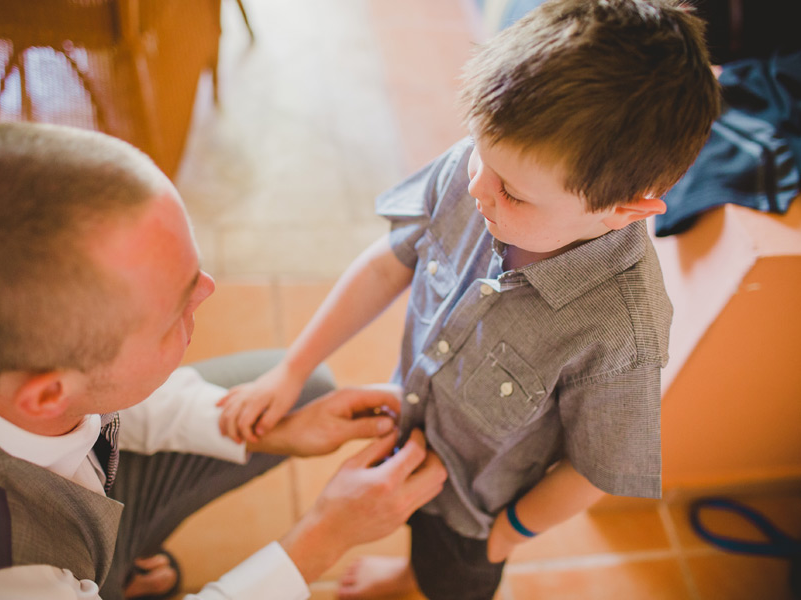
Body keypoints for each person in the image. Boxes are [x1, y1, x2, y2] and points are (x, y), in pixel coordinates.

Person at [215, 0, 722, 598]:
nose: (477, 188)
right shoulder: (482, 170)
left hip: (475, 514)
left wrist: (504, 536)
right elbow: (388, 265)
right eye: (479, 153)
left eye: (511, 191)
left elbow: (595, 469)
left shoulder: (621, 332)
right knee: (406, 531)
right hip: (408, 422)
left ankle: (420, 581)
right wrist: (291, 369)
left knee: (447, 580)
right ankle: (408, 574)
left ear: (624, 209)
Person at [0, 122, 448, 600]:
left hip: (76, 503)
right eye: (172, 312)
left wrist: (266, 433)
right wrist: (324, 536)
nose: (208, 291)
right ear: (47, 395)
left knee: (300, 394)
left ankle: (117, 563)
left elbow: (106, 397)